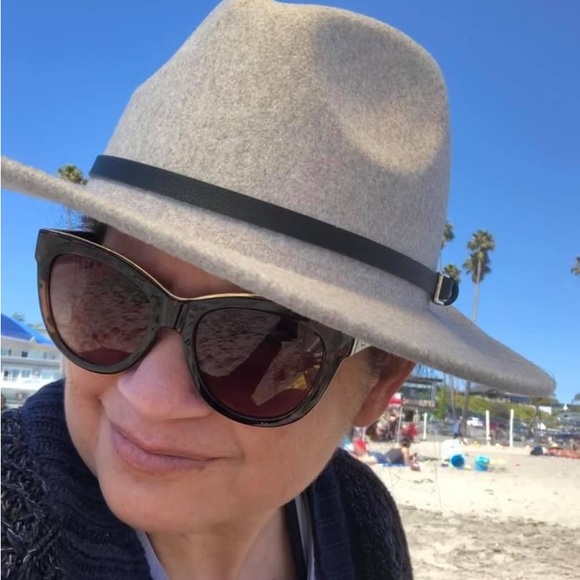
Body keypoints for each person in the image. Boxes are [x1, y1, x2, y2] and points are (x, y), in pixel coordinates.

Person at [1, 0, 554, 578]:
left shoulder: (362, 518)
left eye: (256, 344)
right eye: (113, 299)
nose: (150, 396)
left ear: (381, 382)